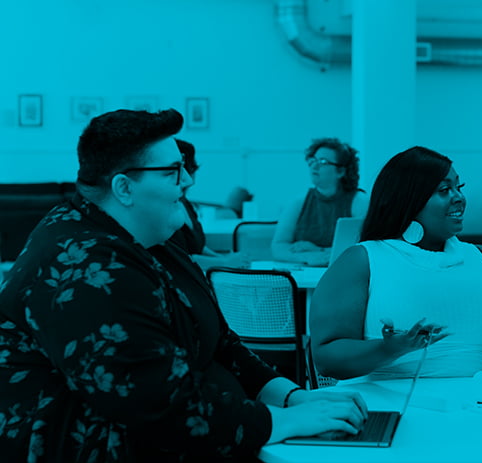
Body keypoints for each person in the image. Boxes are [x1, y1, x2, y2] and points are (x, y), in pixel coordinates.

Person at [0, 109, 367, 462]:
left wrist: (294, 398)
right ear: (124, 188)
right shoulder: (86, 267)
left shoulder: (151, 240)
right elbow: (158, 405)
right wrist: (285, 422)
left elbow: (222, 344)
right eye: (174, 171)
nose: (188, 181)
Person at [310, 146, 482, 380]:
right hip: (395, 407)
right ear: (407, 201)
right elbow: (326, 359)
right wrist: (387, 349)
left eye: (459, 186)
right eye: (444, 190)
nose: (459, 198)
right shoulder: (363, 259)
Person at [271, 137, 368, 267]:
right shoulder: (298, 203)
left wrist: (318, 250)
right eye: (313, 160)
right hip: (306, 276)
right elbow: (278, 247)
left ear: (341, 171)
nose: (315, 166)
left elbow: (366, 247)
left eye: (323, 161)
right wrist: (307, 256)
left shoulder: (359, 201)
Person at [169, 138, 250, 271]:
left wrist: (223, 259)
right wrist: (225, 262)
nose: (191, 181)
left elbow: (198, 246)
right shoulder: (167, 210)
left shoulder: (185, 203)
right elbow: (181, 258)